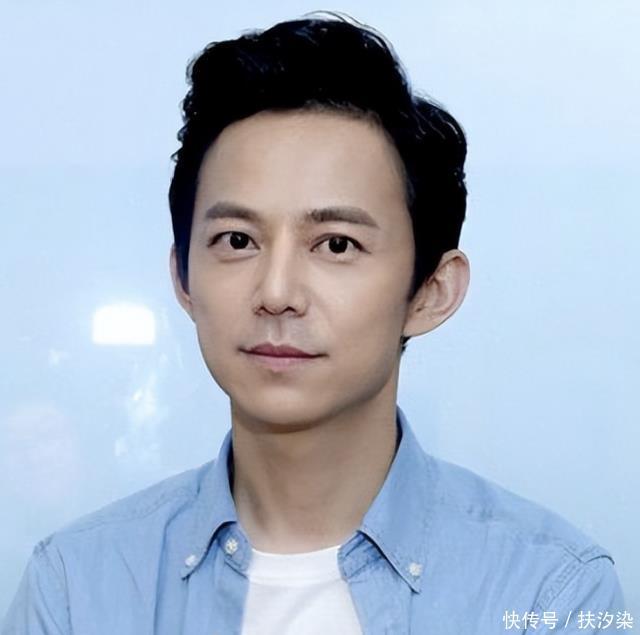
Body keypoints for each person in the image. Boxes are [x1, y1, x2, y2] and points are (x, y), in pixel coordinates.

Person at [3, 14, 625, 635]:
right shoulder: (76, 588)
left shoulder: (552, 592)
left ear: (432, 291)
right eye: (237, 240)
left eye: (336, 245)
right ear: (183, 278)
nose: (276, 293)